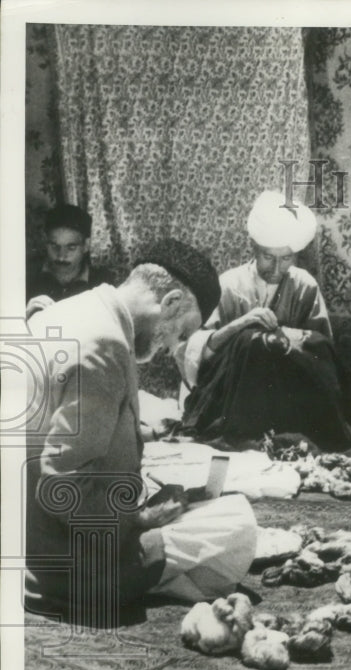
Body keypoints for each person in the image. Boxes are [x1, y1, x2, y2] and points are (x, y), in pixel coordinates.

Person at [24, 240, 233, 624]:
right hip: (63, 568)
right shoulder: (104, 344)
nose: (174, 345)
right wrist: (138, 520)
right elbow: (61, 487)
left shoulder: (77, 311)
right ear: (170, 301)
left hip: (28, 537)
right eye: (182, 331)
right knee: (236, 522)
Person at [179, 191, 351, 451]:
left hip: (289, 397)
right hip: (234, 398)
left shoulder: (304, 285)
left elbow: (321, 356)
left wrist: (284, 341)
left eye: (286, 259)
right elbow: (198, 354)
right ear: (253, 248)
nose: (277, 268)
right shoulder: (228, 285)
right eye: (268, 257)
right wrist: (241, 325)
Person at [26, 204, 114, 318]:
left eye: (71, 247)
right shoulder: (27, 276)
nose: (61, 256)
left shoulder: (102, 283)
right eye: (54, 246)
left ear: (86, 245)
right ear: (45, 241)